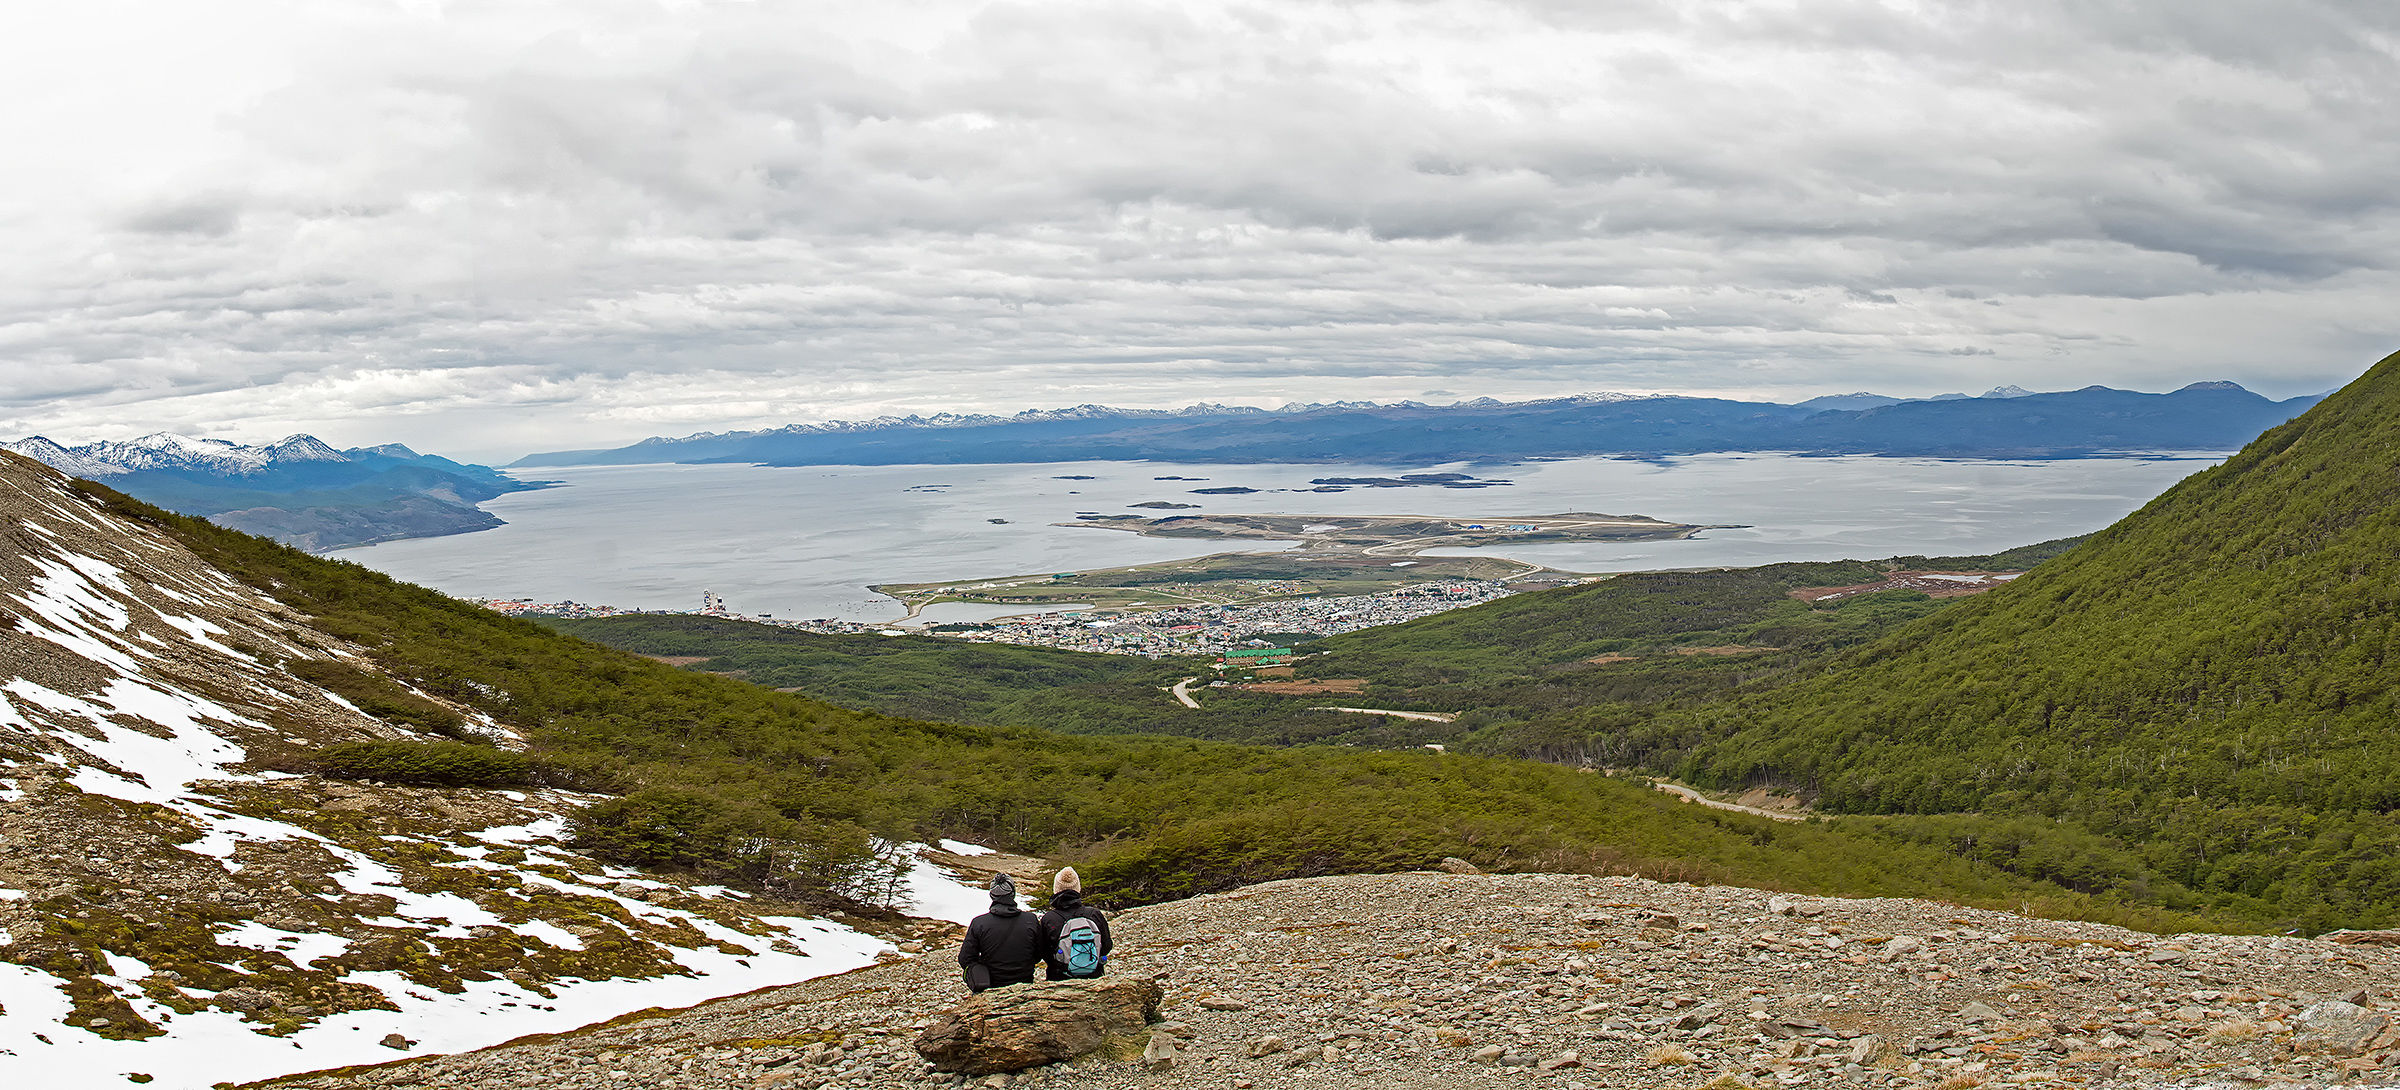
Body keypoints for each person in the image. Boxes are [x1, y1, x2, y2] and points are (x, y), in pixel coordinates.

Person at [958, 874, 1043, 993]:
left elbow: (965, 959)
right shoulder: (1031, 920)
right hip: (1025, 984)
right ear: (1013, 893)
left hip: (990, 986)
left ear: (992, 895)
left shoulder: (979, 923)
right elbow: (1039, 954)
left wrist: (982, 968)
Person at [1037, 867, 1112, 980]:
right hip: (1093, 976)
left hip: (1059, 977)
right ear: (1078, 888)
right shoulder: (1094, 914)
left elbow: (1043, 952)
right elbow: (1107, 946)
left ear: (1056, 889)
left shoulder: (1049, 919)